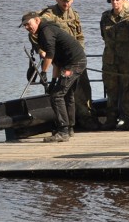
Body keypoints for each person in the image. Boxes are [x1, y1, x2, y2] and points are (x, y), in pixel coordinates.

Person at [21, 12, 87, 142]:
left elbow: (50, 55)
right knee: (67, 94)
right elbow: (56, 60)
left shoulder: (46, 31)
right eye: (24, 26)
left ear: (37, 20)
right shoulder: (45, 30)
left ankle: (63, 131)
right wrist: (54, 80)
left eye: (28, 24)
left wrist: (44, 72)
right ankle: (70, 128)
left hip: (74, 64)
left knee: (57, 96)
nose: (27, 28)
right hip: (71, 63)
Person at [100, 0, 129, 130]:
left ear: (124, 0)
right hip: (110, 60)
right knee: (111, 91)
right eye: (112, 0)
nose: (115, 3)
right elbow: (103, 36)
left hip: (127, 60)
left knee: (128, 90)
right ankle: (111, 120)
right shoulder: (105, 17)